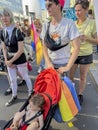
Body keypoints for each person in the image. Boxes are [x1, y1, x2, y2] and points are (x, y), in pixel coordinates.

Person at [0, 8, 32, 106]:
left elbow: (21, 49)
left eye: (6, 15)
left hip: (20, 58)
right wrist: (6, 60)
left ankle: (31, 93)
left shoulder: (17, 30)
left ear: (11, 16)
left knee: (25, 76)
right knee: (13, 79)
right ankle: (14, 95)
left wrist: (11, 61)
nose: (4, 18)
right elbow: (4, 47)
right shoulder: (2, 32)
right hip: (9, 58)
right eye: (2, 16)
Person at [69, 0, 98, 105]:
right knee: (70, 75)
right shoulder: (72, 23)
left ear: (86, 10)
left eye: (79, 10)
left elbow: (96, 40)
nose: (77, 13)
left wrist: (86, 38)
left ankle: (80, 94)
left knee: (82, 76)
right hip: (74, 53)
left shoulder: (92, 23)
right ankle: (70, 92)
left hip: (86, 54)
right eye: (75, 10)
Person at [41, 0, 80, 74]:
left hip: (63, 66)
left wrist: (67, 67)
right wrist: (48, 63)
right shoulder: (46, 25)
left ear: (58, 6)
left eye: (49, 5)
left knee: (62, 85)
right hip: (49, 65)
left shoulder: (69, 24)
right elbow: (44, 46)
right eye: (46, 6)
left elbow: (77, 47)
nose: (47, 8)